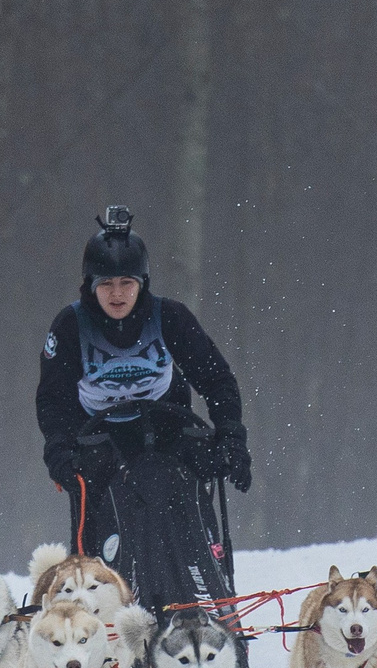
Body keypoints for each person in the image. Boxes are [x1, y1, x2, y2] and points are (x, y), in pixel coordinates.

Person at [35, 206, 252, 617]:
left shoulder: (169, 318)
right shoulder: (70, 326)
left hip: (167, 432)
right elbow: (53, 400)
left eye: (127, 283)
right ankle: (100, 608)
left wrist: (231, 437)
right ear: (90, 286)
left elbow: (218, 380)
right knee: (105, 512)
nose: (117, 295)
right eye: (107, 285)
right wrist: (58, 450)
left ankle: (208, 594)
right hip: (99, 441)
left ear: (142, 284)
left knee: (190, 479)